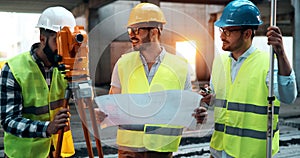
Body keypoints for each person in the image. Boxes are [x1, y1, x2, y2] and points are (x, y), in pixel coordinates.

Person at [96, 2, 207, 158]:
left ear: (154, 32)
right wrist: (103, 113)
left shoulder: (180, 67)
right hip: (129, 150)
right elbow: (113, 105)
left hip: (161, 150)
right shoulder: (123, 64)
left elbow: (187, 109)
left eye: (136, 30)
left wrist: (198, 114)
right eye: (130, 30)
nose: (131, 35)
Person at [207, 0, 297, 157]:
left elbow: (288, 96)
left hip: (251, 153)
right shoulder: (219, 61)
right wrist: (207, 99)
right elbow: (217, 100)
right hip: (219, 151)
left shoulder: (266, 63)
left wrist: (281, 53)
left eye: (228, 31)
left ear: (247, 34)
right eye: (222, 30)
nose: (222, 36)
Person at [0, 6, 77, 158]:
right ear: (42, 38)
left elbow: (86, 103)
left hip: (61, 152)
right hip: (26, 154)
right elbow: (9, 121)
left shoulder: (69, 66)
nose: (63, 49)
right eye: (58, 41)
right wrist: (47, 128)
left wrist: (81, 70)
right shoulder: (14, 69)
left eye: (67, 41)